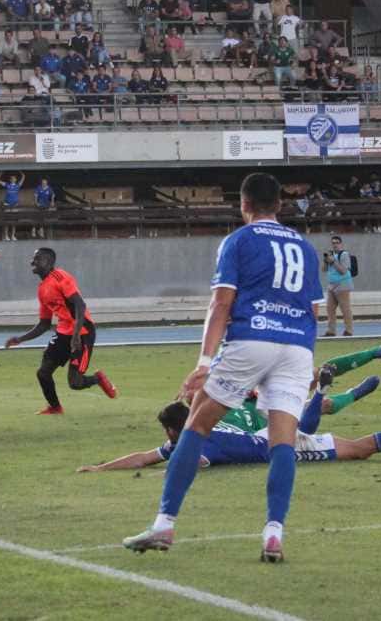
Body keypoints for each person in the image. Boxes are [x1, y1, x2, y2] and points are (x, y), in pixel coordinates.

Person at [121, 173, 322, 562]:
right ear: (279, 205)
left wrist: (204, 363)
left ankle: (164, 522)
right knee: (282, 441)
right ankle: (273, 533)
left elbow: (221, 304)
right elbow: (314, 310)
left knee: (196, 424)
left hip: (251, 340)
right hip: (297, 347)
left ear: (244, 205)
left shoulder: (238, 240)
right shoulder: (305, 246)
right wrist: (304, 356)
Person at [78, 393, 381, 473]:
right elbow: (145, 456)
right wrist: (101, 468)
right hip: (269, 435)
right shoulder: (195, 432)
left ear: (172, 428)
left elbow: (192, 464)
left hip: (278, 443)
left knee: (357, 449)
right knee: (356, 448)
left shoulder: (198, 442)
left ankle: (317, 397)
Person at [4, 248, 117, 414]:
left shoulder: (61, 277)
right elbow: (44, 324)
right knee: (43, 373)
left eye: (37, 259)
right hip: (64, 333)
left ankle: (97, 379)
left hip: (83, 332)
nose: (32, 262)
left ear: (49, 262)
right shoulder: (42, 289)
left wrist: (77, 334)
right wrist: (20, 339)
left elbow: (80, 305)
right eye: (32, 259)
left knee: (75, 383)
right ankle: (55, 407)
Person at [322, 235, 354, 336]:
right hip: (331, 285)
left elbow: (343, 271)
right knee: (329, 309)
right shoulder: (331, 254)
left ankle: (349, 330)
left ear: (341, 244)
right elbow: (323, 270)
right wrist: (326, 261)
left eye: (337, 243)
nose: (335, 245)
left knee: (345, 308)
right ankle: (331, 331)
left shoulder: (344, 254)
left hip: (343, 284)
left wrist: (333, 261)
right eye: (333, 243)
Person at [0, 171, 24, 241]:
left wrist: (21, 172)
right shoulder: (7, 185)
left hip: (15, 205)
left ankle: (13, 235)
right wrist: (0, 174)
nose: (12, 179)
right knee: (7, 221)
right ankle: (6, 236)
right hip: (7, 204)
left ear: (16, 180)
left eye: (14, 178)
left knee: (14, 221)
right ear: (10, 180)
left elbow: (23, 177)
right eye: (11, 178)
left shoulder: (18, 185)